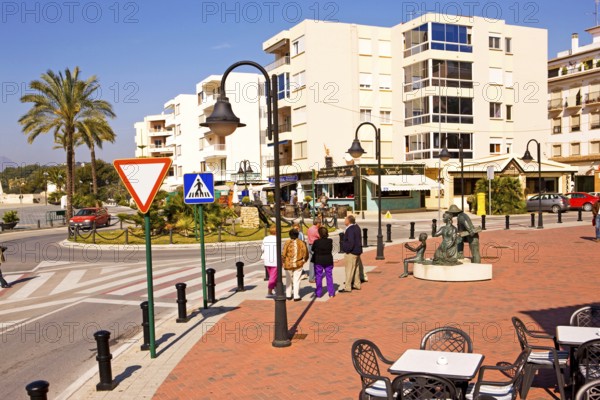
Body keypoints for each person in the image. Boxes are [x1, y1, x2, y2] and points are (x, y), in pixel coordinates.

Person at [282, 229, 309, 301]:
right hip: (298, 263)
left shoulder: (287, 242)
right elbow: (305, 253)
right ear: (298, 235)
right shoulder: (301, 243)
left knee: (288, 280)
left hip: (288, 263)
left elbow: (283, 253)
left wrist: (283, 261)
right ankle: (296, 296)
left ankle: (288, 295)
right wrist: (304, 260)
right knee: (296, 280)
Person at [340, 215, 362, 293]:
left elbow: (351, 242)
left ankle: (347, 287)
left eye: (345, 219)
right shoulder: (357, 227)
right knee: (356, 269)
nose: (344, 220)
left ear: (348, 221)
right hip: (357, 251)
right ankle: (357, 284)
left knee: (349, 270)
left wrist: (347, 250)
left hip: (351, 252)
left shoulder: (350, 229)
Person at [311, 226, 335, 298]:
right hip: (328, 260)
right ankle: (331, 292)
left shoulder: (316, 242)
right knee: (329, 276)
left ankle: (318, 293)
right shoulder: (330, 241)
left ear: (319, 234)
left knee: (318, 276)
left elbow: (313, 249)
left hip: (319, 260)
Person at [261, 225, 279, 297]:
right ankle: (269, 291)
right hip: (275, 260)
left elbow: (262, 248)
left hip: (267, 260)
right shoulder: (277, 239)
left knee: (273, 276)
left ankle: (277, 289)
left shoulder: (265, 238)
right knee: (273, 277)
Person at [305, 217, 322, 283]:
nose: (320, 224)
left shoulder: (310, 228)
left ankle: (312, 276)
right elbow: (321, 236)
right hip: (315, 246)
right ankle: (313, 277)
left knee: (312, 262)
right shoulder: (316, 230)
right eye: (320, 223)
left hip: (310, 245)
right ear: (318, 223)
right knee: (316, 262)